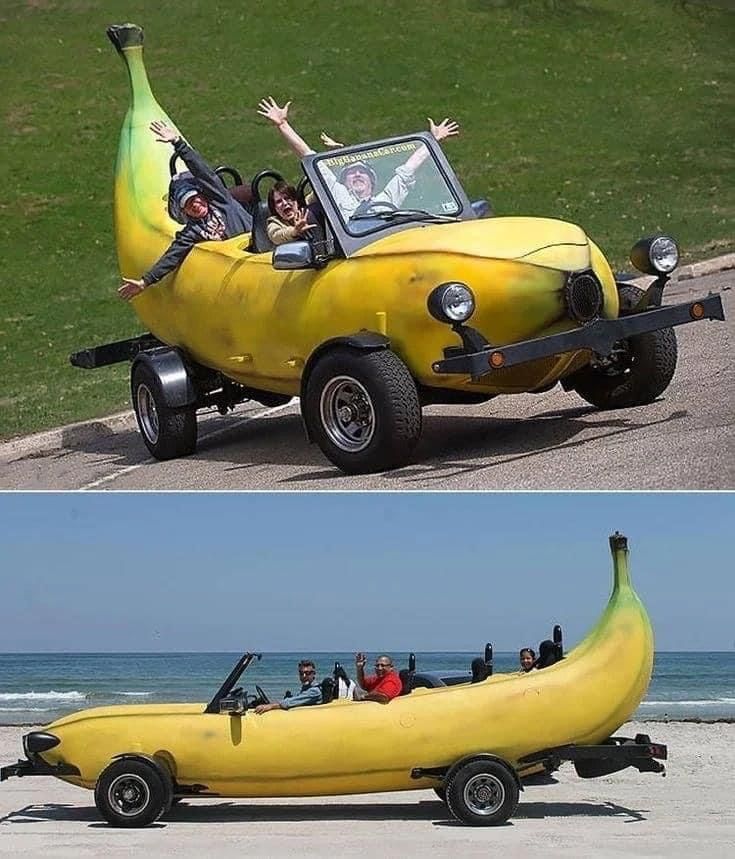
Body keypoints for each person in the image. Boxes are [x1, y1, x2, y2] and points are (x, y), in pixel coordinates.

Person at [257, 97, 459, 221]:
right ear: (344, 181)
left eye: (362, 171)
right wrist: (282, 125)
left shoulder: (386, 199)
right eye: (351, 173)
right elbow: (308, 155)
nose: (356, 174)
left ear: (372, 180)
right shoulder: (339, 195)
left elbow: (408, 169)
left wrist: (432, 139)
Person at [118, 120, 253, 301]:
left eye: (196, 198)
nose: (196, 204)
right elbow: (172, 256)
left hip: (258, 249)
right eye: (189, 205)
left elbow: (202, 171)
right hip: (240, 267)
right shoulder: (192, 232)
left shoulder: (220, 199)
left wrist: (177, 143)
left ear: (203, 195)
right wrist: (144, 282)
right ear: (186, 212)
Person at [254, 659, 322, 714]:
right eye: (301, 673)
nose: (304, 676)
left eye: (307, 673)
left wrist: (270, 706)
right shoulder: (306, 688)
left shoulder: (314, 691)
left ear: (314, 674)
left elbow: (291, 702)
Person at [266, 180, 318, 246]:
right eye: (279, 201)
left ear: (295, 200)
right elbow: (276, 236)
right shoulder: (274, 223)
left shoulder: (302, 205)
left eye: (287, 198)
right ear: (274, 208)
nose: (284, 203)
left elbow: (318, 193)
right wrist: (294, 231)